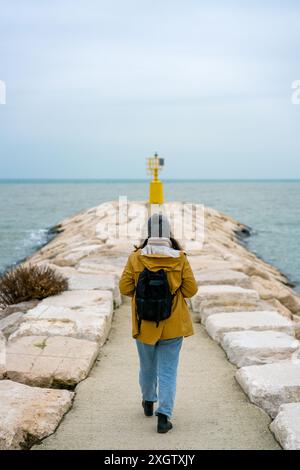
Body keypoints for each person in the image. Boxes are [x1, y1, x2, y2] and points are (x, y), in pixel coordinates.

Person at [119, 212, 198, 433]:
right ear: (169, 233)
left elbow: (125, 289)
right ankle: (164, 416)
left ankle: (147, 401)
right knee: (168, 371)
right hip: (172, 325)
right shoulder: (179, 257)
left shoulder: (136, 257)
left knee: (147, 367)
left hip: (144, 323)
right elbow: (191, 290)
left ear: (148, 233)